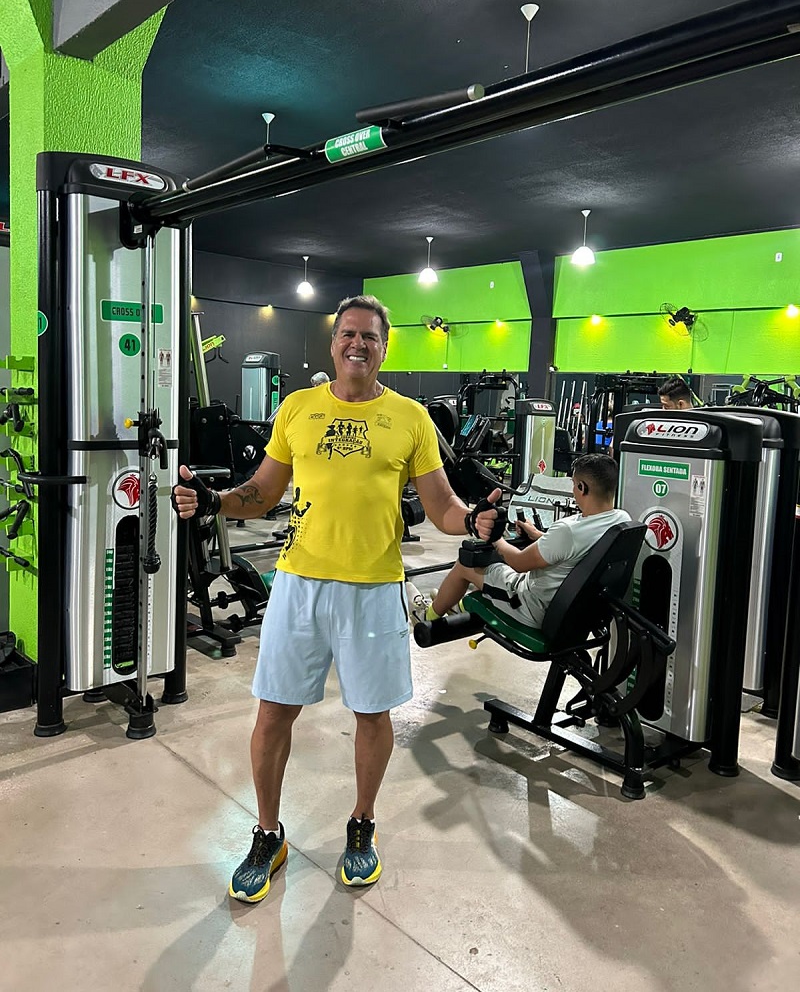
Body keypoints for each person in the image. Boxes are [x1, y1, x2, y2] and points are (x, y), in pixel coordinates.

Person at [171, 294, 502, 903]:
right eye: (348, 334)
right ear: (333, 344)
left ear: (384, 348)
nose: (357, 344)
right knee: (273, 713)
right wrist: (214, 501)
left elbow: (441, 507)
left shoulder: (410, 418)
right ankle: (268, 834)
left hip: (374, 588)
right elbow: (262, 493)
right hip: (298, 585)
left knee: (371, 714)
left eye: (369, 336)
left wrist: (473, 520)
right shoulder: (298, 409)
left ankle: (362, 823)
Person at [414, 454, 629, 630]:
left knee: (466, 565)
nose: (573, 491)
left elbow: (518, 563)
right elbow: (577, 550)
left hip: (530, 606)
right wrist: (538, 535)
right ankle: (455, 604)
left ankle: (428, 615)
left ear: (582, 487)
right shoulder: (621, 519)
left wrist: (495, 538)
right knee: (493, 566)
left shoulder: (567, 532)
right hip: (577, 608)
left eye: (573, 485)